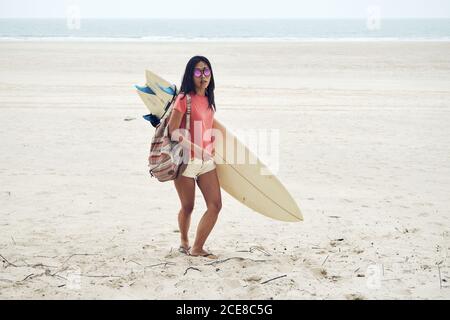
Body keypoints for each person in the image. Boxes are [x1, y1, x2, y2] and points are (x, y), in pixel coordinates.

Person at [167, 56, 221, 258]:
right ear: (191, 74)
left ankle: (197, 248)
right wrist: (197, 149)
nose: (203, 76)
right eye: (198, 72)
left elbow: (208, 127)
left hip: (207, 162)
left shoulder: (209, 99)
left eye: (206, 71)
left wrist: (213, 147)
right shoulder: (184, 99)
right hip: (186, 161)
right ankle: (184, 241)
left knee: (215, 205)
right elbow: (174, 131)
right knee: (188, 206)